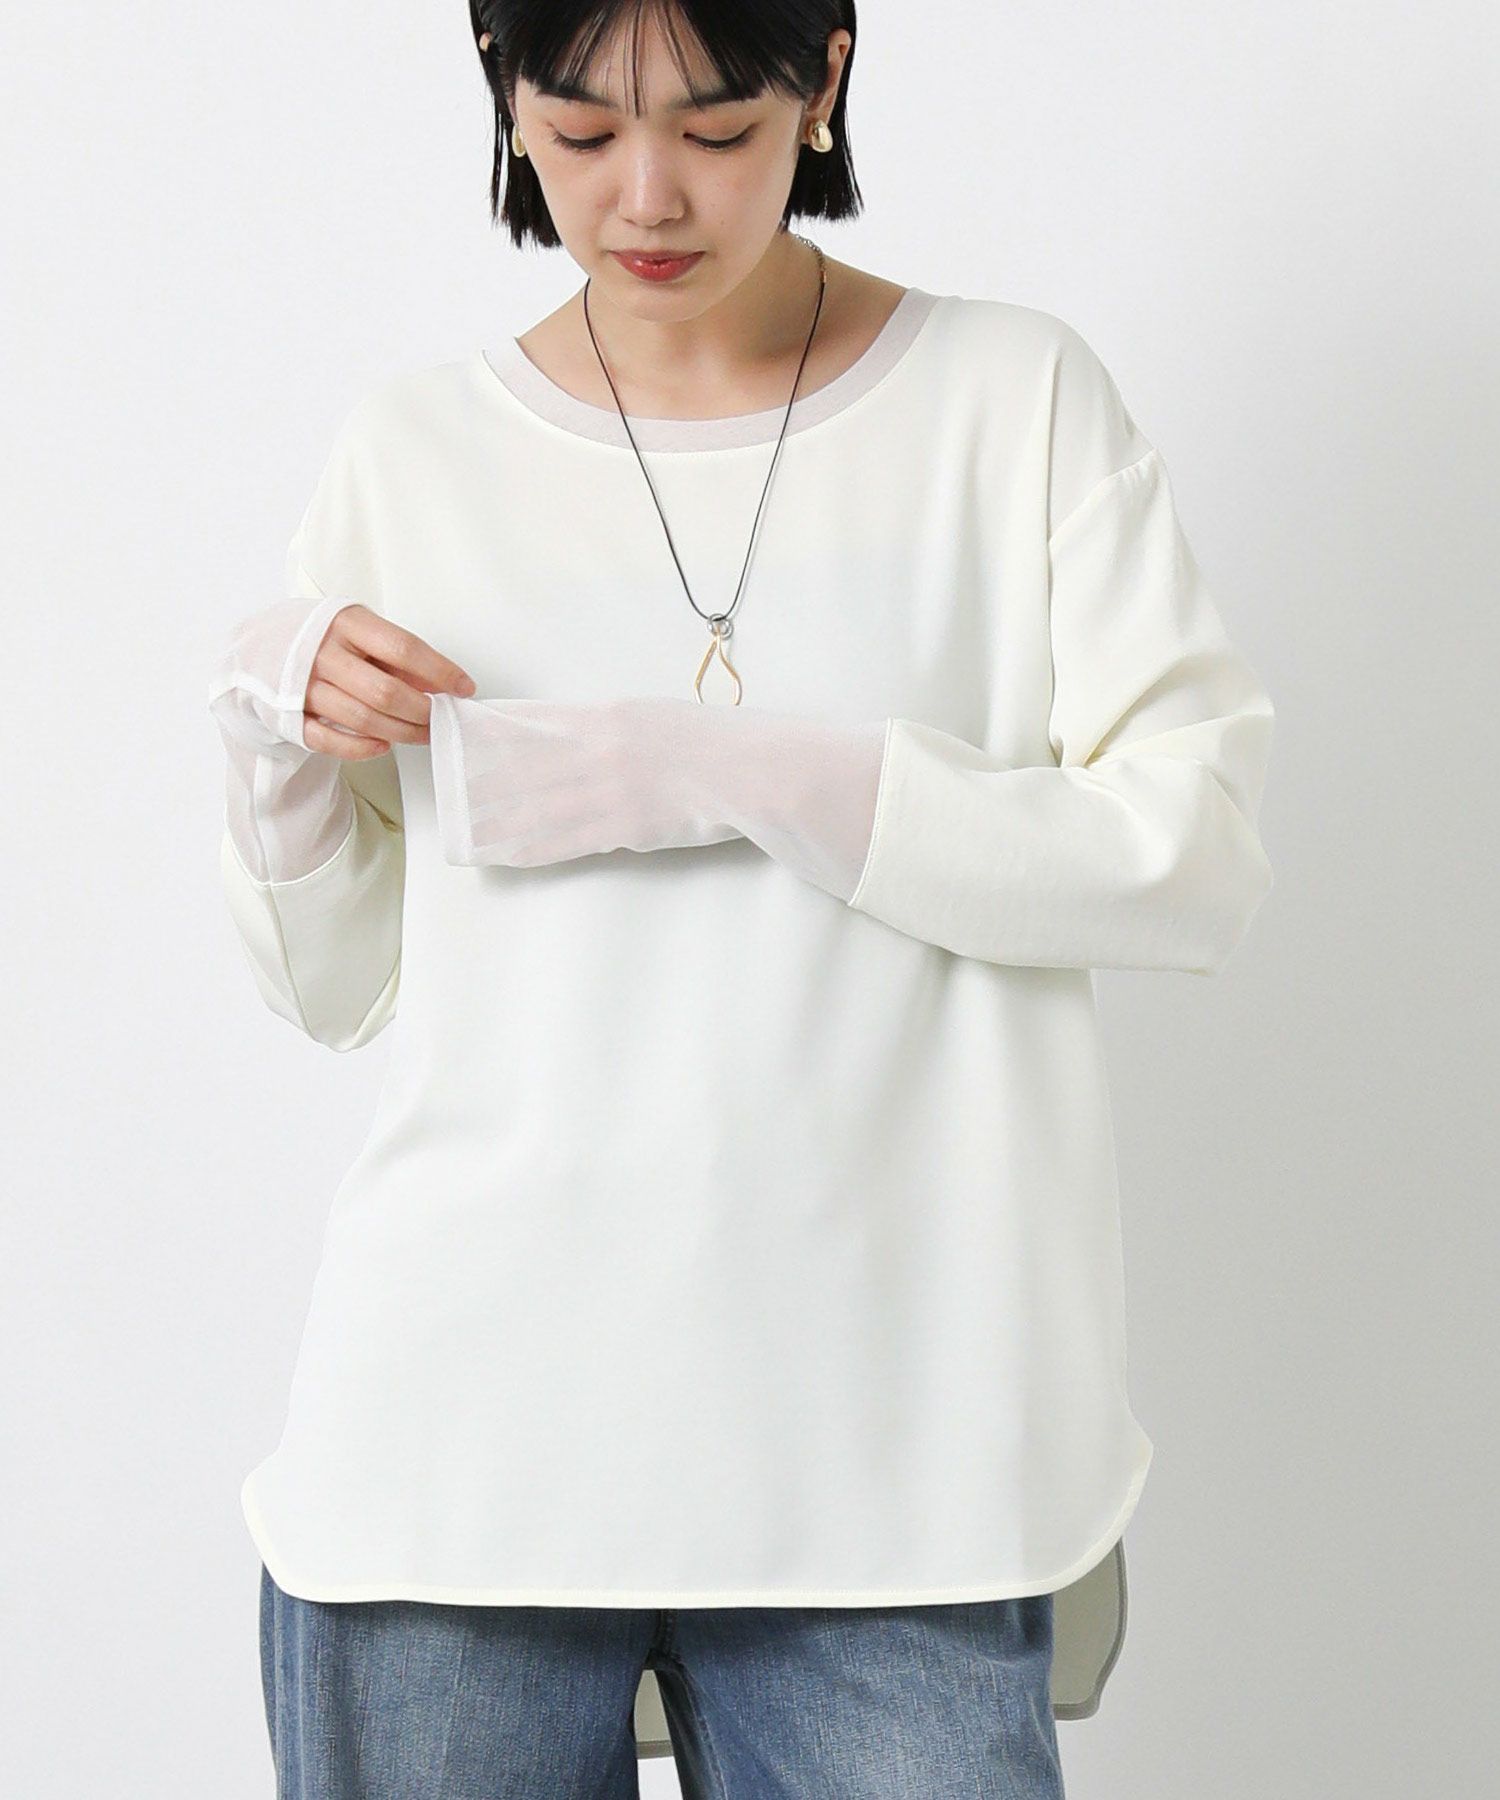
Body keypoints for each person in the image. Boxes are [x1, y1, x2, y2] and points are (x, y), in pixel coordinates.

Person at [209, 2, 1276, 1795]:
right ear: (506, 95)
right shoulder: (414, 449)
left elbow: (1195, 857)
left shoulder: (1010, 403)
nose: (646, 196)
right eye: (580, 130)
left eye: (714, 131)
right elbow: (337, 989)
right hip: (457, 1463)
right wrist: (274, 757)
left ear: (825, 78)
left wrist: (747, 776)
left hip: (899, 1476)